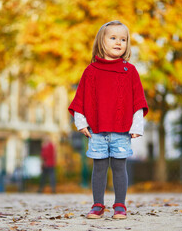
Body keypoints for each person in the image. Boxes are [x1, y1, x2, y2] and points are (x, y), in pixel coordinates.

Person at [68, 20, 148, 219]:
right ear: (101, 41)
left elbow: (138, 101)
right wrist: (81, 122)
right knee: (99, 168)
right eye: (113, 38)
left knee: (120, 167)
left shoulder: (130, 71)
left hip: (121, 130)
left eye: (123, 39)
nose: (118, 42)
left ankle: (120, 205)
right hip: (97, 130)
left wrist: (137, 124)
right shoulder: (91, 71)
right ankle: (97, 205)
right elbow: (80, 100)